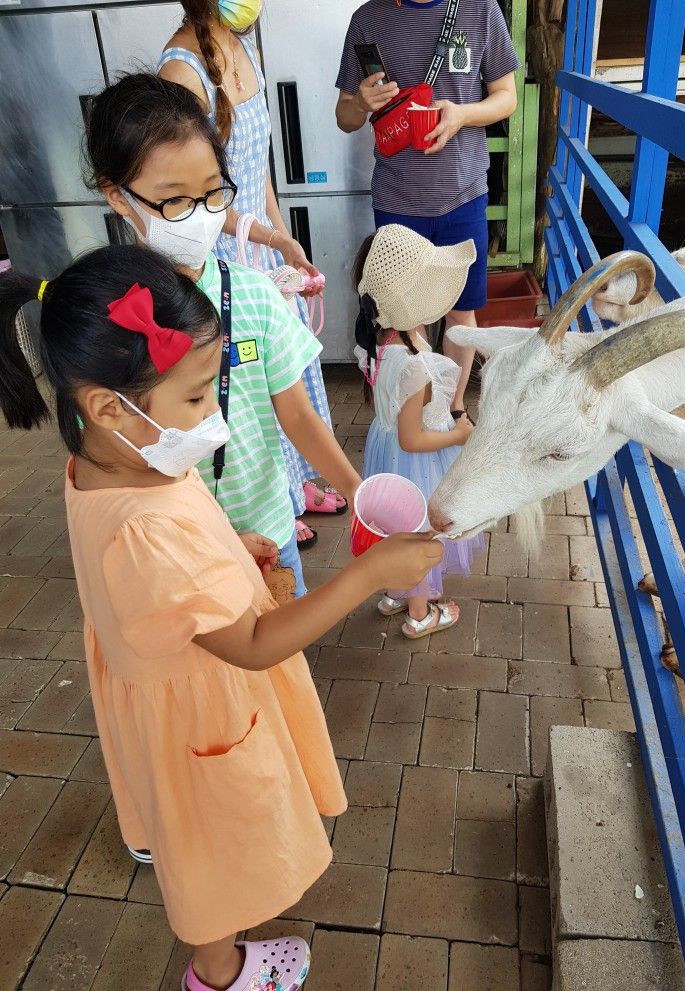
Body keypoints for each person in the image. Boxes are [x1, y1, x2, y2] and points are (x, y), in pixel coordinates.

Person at [0, 244, 441, 991]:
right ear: (110, 407)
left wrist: (228, 550)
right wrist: (366, 572)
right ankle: (219, 972)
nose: (216, 417)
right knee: (203, 855)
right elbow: (254, 643)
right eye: (200, 397)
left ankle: (225, 952)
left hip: (166, 682)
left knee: (207, 837)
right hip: (195, 709)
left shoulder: (110, 466)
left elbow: (155, 578)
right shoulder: (146, 517)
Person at [84, 73, 361, 601]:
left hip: (270, 531)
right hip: (176, 550)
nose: (201, 214)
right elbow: (107, 460)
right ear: (118, 196)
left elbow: (297, 414)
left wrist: (356, 489)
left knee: (281, 654)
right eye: (174, 201)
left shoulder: (256, 297)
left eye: (213, 193)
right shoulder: (106, 319)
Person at [159, 0, 344, 549]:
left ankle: (297, 483)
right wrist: (269, 239)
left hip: (260, 248)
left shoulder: (242, 44)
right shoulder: (181, 72)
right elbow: (198, 196)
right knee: (247, 389)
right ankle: (272, 512)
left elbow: (256, 170)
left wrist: (283, 239)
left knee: (284, 376)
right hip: (217, 255)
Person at [336, 0, 520, 415]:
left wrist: (463, 116)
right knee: (405, 318)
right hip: (398, 202)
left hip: (464, 195)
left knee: (461, 315)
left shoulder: (480, 9)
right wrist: (362, 102)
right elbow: (345, 117)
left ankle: (451, 410)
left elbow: (506, 97)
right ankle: (418, 414)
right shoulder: (367, 19)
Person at [352, 224, 483, 637]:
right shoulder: (415, 365)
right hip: (415, 460)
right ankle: (420, 612)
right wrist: (459, 436)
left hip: (387, 453)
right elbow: (414, 438)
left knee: (394, 526)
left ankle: (394, 592)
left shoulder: (381, 339)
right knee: (420, 534)